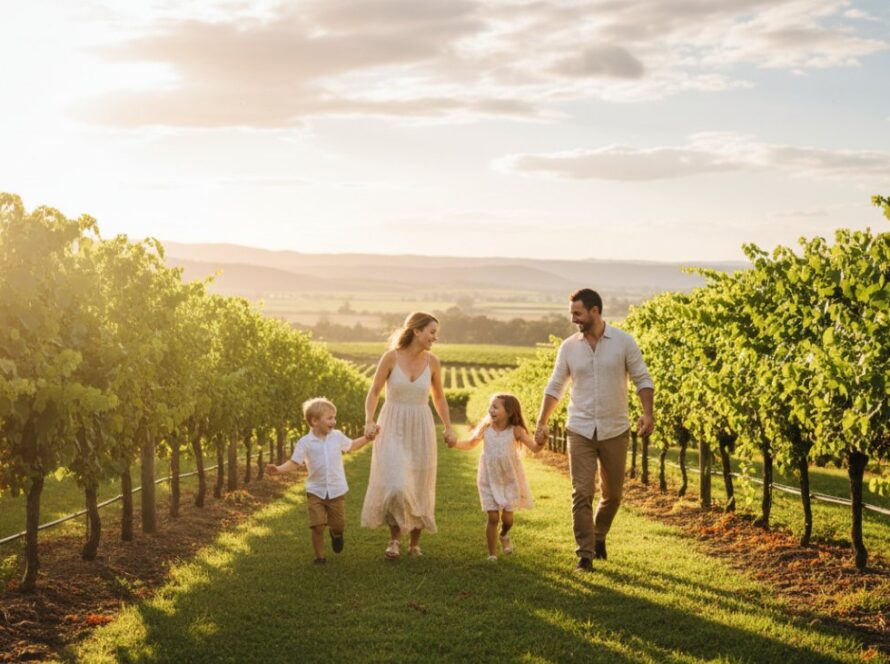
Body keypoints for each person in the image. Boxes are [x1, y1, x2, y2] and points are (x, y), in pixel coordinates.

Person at [534, 288, 654, 573]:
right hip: (580, 429)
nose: (574, 319)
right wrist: (541, 421)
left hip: (615, 429)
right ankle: (585, 556)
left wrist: (647, 413)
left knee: (613, 495)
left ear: (595, 311)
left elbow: (642, 378)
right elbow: (555, 387)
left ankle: (599, 534)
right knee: (581, 493)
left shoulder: (623, 342)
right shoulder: (568, 347)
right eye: (572, 313)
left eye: (578, 313)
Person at [361, 312, 456, 559]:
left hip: (420, 425)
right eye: (432, 332)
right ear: (416, 331)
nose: (435, 337)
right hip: (392, 424)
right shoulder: (391, 358)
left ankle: (414, 543)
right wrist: (369, 420)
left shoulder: (433, 361)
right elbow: (374, 392)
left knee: (419, 483)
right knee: (396, 484)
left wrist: (448, 426)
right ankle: (394, 539)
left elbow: (439, 397)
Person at [266, 397, 374, 565]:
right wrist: (279, 469)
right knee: (317, 526)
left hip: (336, 490)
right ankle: (320, 557)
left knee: (338, 524)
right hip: (315, 490)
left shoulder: (337, 436)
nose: (334, 421)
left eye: (334, 417)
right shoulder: (305, 442)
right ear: (315, 421)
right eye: (329, 418)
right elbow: (295, 462)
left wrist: (368, 438)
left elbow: (351, 445)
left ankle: (336, 534)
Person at [448, 393, 541, 561]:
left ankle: (504, 534)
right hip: (488, 477)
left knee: (508, 519)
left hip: (509, 478)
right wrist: (454, 443)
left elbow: (534, 448)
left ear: (510, 412)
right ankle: (492, 554)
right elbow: (470, 444)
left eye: (495, 407)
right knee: (492, 517)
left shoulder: (516, 431)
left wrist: (541, 440)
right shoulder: (486, 428)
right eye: (490, 406)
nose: (491, 410)